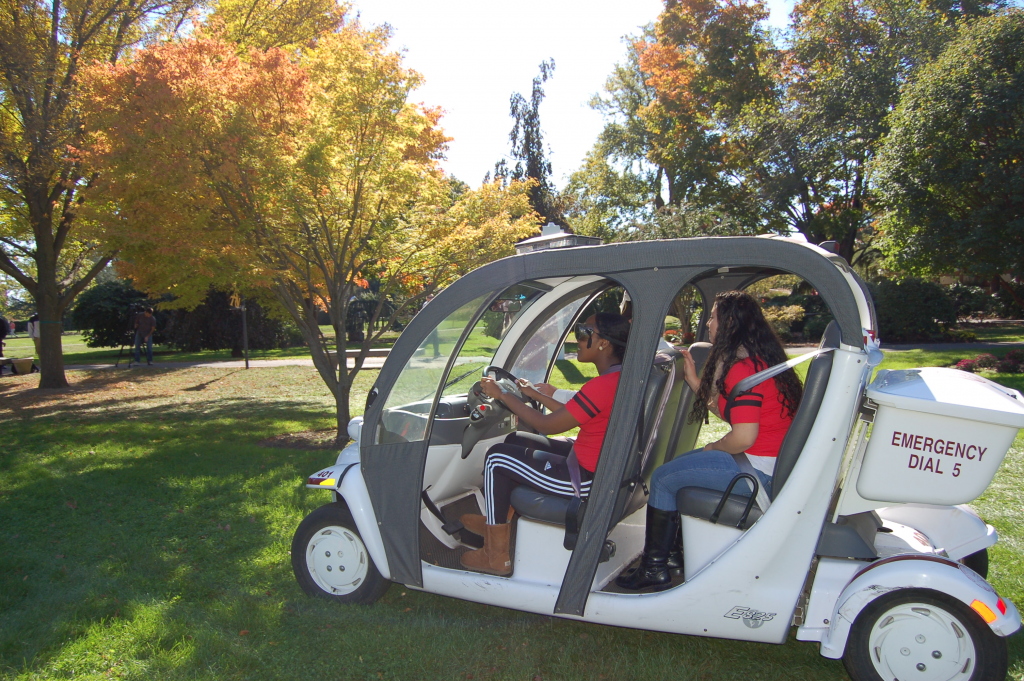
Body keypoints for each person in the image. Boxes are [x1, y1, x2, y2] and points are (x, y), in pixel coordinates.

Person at [615, 290, 803, 591]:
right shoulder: (756, 361)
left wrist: (715, 447)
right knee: (678, 469)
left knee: (663, 477)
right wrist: (692, 378)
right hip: (766, 462)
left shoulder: (743, 369)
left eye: (713, 317)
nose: (709, 324)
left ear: (729, 322)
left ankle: (653, 569)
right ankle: (672, 557)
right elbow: (734, 414)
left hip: (756, 471)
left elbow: (742, 437)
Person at [459, 312, 630, 576]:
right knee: (516, 439)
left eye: (584, 333)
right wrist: (532, 394)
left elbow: (547, 425)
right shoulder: (618, 379)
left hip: (584, 480)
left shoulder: (602, 385)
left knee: (496, 457)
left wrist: (503, 394)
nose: (578, 339)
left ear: (603, 343)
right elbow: (573, 412)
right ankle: (495, 521)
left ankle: (495, 556)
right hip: (594, 465)